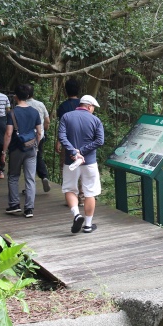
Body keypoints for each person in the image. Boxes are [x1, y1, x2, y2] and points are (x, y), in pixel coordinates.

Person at [57, 94, 104, 234]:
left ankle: (77, 215)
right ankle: (88, 225)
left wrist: (73, 151)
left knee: (70, 189)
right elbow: (100, 141)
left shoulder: (66, 117)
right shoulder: (96, 120)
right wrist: (82, 151)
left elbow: (62, 136)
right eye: (93, 107)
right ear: (89, 106)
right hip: (89, 162)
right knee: (90, 192)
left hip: (70, 161)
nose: (93, 110)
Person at [2, 84, 43, 218]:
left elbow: (8, 134)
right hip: (31, 148)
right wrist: (36, 146)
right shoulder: (34, 112)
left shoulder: (12, 113)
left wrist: (3, 152)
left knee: (13, 176)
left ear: (15, 97)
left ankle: (14, 204)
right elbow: (39, 132)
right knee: (30, 178)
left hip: (16, 148)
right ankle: (29, 208)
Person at [26, 85, 52, 193]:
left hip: (26, 137)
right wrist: (44, 130)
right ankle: (44, 176)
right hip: (39, 136)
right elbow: (47, 121)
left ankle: (30, 186)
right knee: (38, 156)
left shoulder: (22, 105)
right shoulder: (40, 104)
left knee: (28, 160)